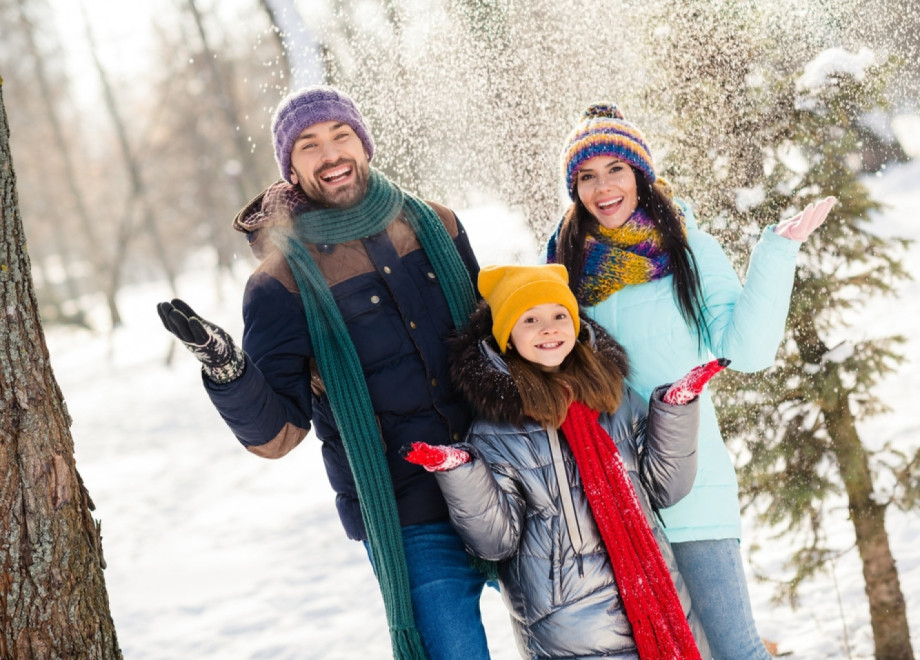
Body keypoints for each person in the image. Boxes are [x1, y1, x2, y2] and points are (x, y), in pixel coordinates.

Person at [156, 86, 491, 660]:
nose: (330, 152)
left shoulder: (437, 224)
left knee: (576, 637)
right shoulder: (279, 284)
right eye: (309, 144)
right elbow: (278, 433)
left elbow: (488, 343)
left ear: (363, 143)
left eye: (341, 135)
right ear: (291, 167)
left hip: (505, 477)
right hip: (410, 512)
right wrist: (228, 370)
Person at [546, 103, 836, 659]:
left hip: (693, 483)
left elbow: (744, 350)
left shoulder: (688, 250)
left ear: (640, 174)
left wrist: (777, 251)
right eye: (587, 176)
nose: (603, 188)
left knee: (733, 648)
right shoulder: (561, 265)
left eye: (616, 170)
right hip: (608, 491)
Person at [403, 263, 725, 660]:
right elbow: (495, 541)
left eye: (559, 315)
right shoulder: (496, 432)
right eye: (530, 320)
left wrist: (676, 411)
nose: (549, 328)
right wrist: (461, 472)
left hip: (658, 602)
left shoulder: (614, 400)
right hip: (568, 632)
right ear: (506, 337)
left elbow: (665, 488)